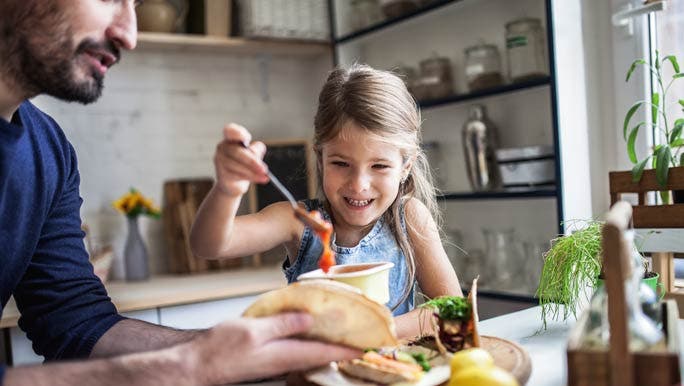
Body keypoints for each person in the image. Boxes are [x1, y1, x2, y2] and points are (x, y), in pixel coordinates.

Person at [0, 1, 359, 385]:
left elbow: (76, 320)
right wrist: (185, 367)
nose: (129, 35)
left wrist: (214, 351)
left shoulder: (49, 151)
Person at [190, 64, 463, 339]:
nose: (359, 185)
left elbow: (454, 310)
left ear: (405, 166)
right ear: (320, 157)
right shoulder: (296, 222)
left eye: (379, 166)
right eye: (341, 163)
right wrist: (228, 189)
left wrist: (369, 333)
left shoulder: (410, 217)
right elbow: (209, 245)